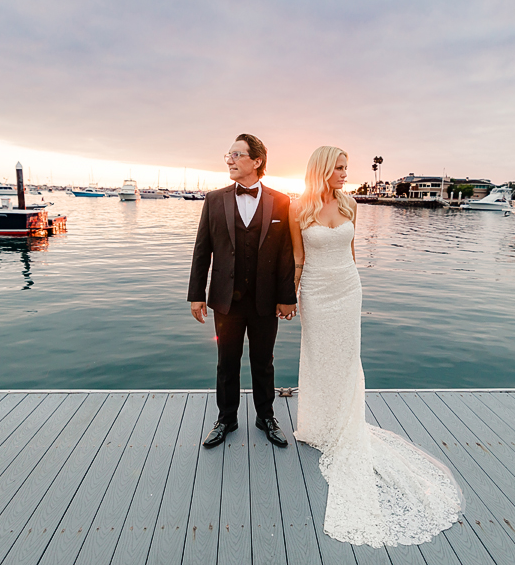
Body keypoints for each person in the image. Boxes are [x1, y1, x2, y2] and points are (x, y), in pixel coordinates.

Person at [291, 146, 463, 547]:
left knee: (347, 357)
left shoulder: (350, 203)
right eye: (338, 168)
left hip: (348, 288)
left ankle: (344, 423)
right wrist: (292, 294)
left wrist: (354, 285)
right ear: (320, 169)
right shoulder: (299, 208)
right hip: (315, 290)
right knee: (319, 358)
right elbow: (299, 258)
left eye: (346, 168)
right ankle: (317, 423)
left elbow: (351, 253)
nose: (344, 174)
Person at [188, 134, 297, 449]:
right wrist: (197, 294)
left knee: (264, 361)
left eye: (236, 155)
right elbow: (201, 250)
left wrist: (286, 296)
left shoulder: (281, 201)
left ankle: (266, 417)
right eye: (228, 155)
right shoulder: (213, 199)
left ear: (257, 161)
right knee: (227, 361)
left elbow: (285, 254)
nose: (230, 161)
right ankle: (226, 419)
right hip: (225, 299)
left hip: (265, 299)